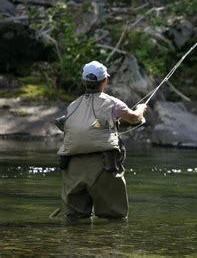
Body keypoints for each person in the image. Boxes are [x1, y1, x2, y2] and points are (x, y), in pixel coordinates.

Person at [57, 60, 147, 220]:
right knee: (114, 218)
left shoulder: (72, 106)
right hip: (104, 167)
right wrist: (141, 109)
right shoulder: (112, 103)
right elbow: (134, 118)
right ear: (105, 81)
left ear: (83, 81)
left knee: (75, 219)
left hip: (73, 169)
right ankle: (106, 243)